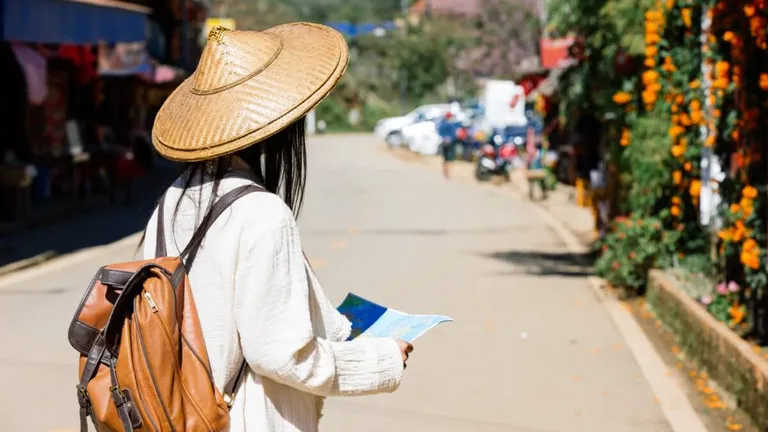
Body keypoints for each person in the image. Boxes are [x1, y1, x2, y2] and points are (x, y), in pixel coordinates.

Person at [142, 24, 413, 431]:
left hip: (176, 415)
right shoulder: (263, 214)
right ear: (281, 124)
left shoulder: (171, 202)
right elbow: (281, 354)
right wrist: (384, 358)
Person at [438, 111, 457, 178]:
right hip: (449, 143)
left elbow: (440, 132)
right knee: (449, 158)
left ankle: (445, 172)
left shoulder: (442, 124)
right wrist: (449, 139)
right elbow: (454, 134)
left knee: (445, 158)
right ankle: (447, 173)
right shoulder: (450, 124)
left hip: (444, 142)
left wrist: (444, 138)